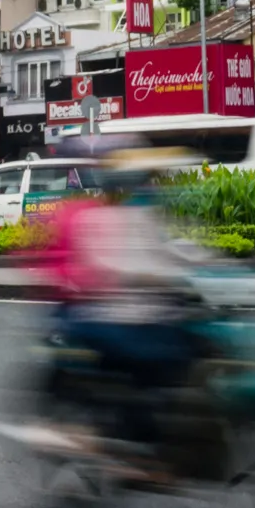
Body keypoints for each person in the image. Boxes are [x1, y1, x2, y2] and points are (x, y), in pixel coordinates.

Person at [47, 146, 199, 454]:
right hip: (116, 317)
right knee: (166, 355)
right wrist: (162, 278)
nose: (147, 189)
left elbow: (175, 250)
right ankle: (146, 440)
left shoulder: (143, 217)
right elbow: (116, 266)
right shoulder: (98, 221)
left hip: (144, 312)